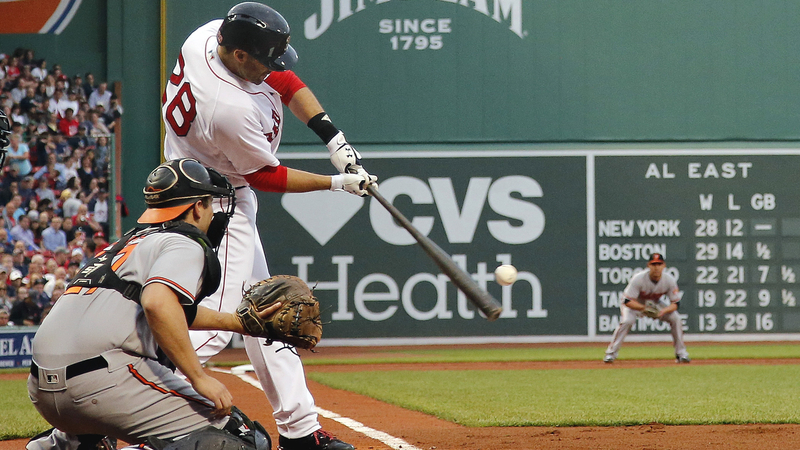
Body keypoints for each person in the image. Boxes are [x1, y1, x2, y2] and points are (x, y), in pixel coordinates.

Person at [162, 4, 377, 450]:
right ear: (240, 55)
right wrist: (336, 182)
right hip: (213, 204)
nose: (274, 65)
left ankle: (300, 431)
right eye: (265, 57)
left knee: (268, 311)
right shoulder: (228, 107)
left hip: (200, 183)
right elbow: (264, 176)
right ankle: (125, 415)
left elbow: (284, 79)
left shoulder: (212, 37)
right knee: (215, 330)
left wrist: (333, 139)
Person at [26, 158, 279, 450]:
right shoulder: (182, 241)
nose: (213, 212)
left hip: (43, 388)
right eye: (210, 203)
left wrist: (237, 323)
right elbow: (158, 303)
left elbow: (169, 308)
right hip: (104, 383)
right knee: (242, 439)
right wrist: (198, 377)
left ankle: (63, 444)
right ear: (197, 207)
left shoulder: (126, 244)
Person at [603, 253, 691, 363]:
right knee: (627, 321)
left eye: (659, 264)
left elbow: (676, 303)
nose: (656, 267)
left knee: (676, 319)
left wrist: (663, 311)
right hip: (636, 303)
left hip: (655, 303)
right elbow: (627, 301)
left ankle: (681, 354)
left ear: (664, 266)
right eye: (653, 264)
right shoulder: (639, 278)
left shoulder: (669, 280)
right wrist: (643, 308)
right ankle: (611, 354)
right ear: (648, 265)